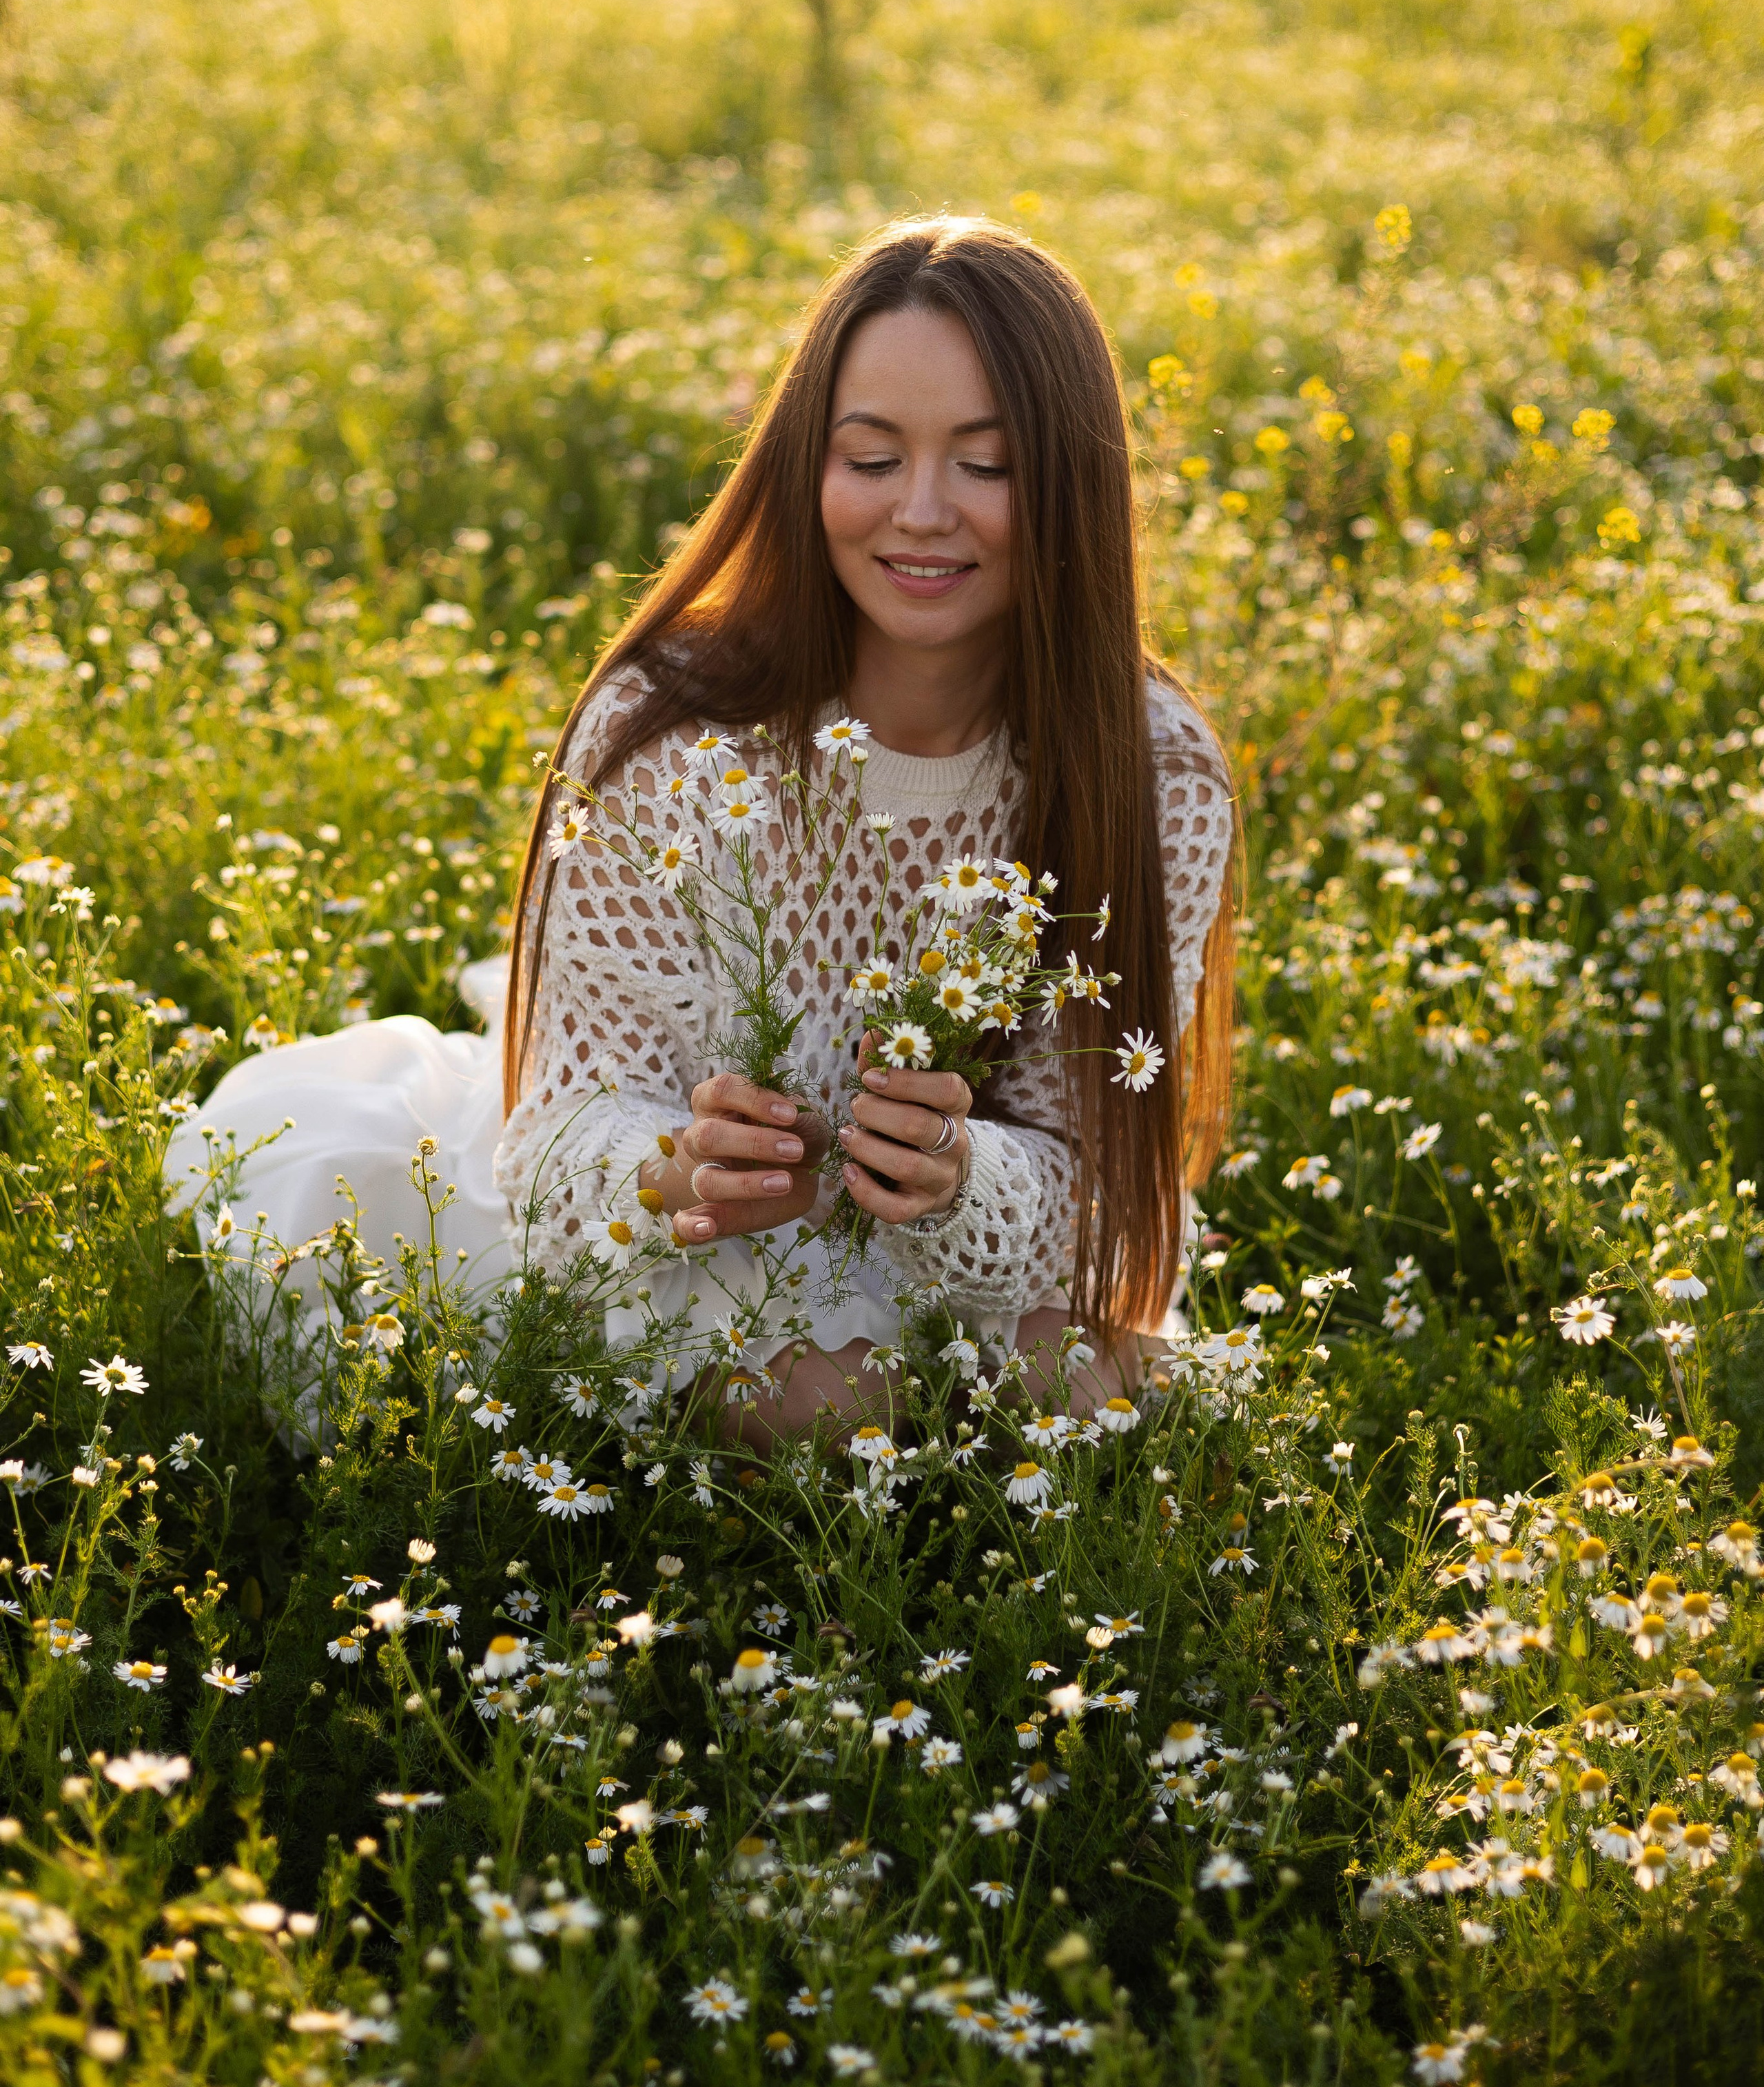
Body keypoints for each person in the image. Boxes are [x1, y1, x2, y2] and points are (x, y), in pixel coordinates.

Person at [167, 216, 1237, 1436]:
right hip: (694, 1245)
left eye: (987, 466)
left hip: (958, 1252)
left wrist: (956, 1175)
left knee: (1074, 1382)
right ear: (804, 466)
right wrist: (676, 1167)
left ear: (1072, 486)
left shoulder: (1150, 771)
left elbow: (1103, 1185)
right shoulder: (671, 732)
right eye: (871, 457)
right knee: (839, 1407)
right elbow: (563, 1130)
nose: (922, 511)